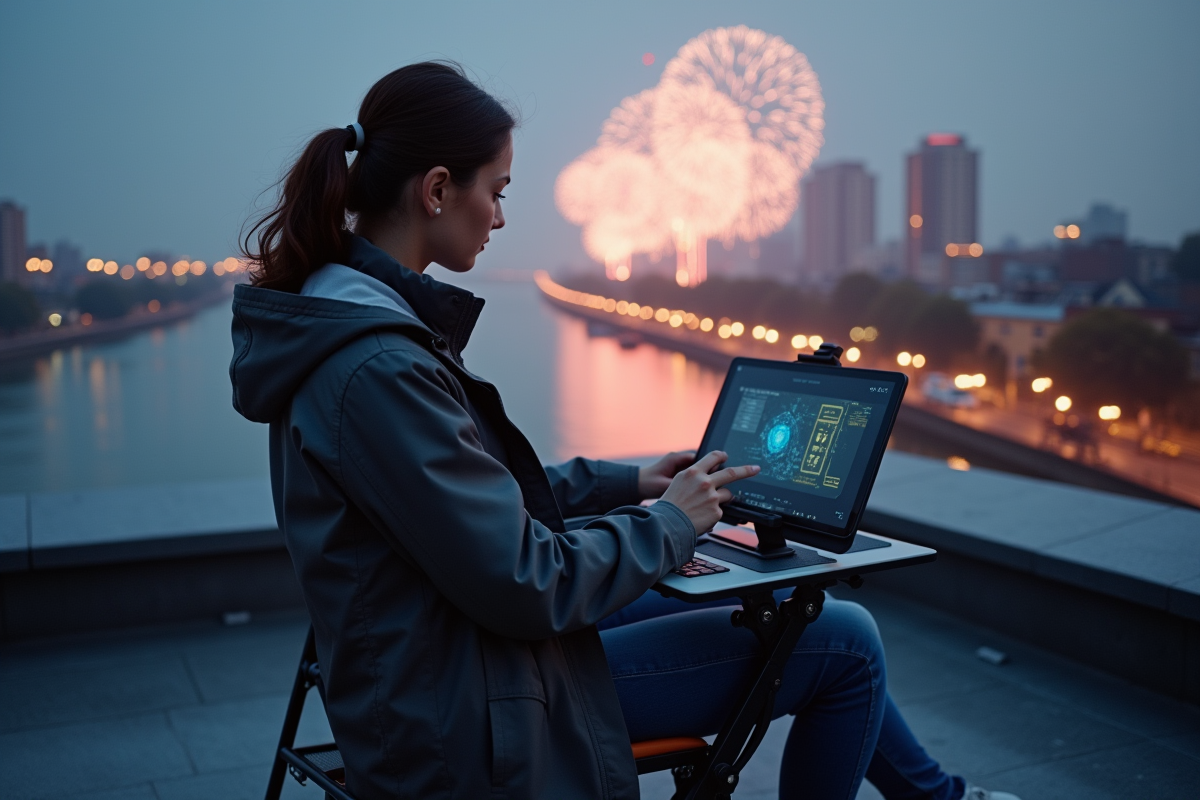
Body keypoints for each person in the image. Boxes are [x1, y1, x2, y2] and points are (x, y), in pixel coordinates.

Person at [230, 62, 1020, 800]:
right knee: (844, 640)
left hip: (452, 651)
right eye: (498, 192)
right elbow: (526, 581)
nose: (502, 217)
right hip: (473, 707)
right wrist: (672, 522)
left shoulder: (345, 324)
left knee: (784, 596)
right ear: (437, 189)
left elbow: (475, 503)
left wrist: (638, 485)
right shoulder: (377, 368)